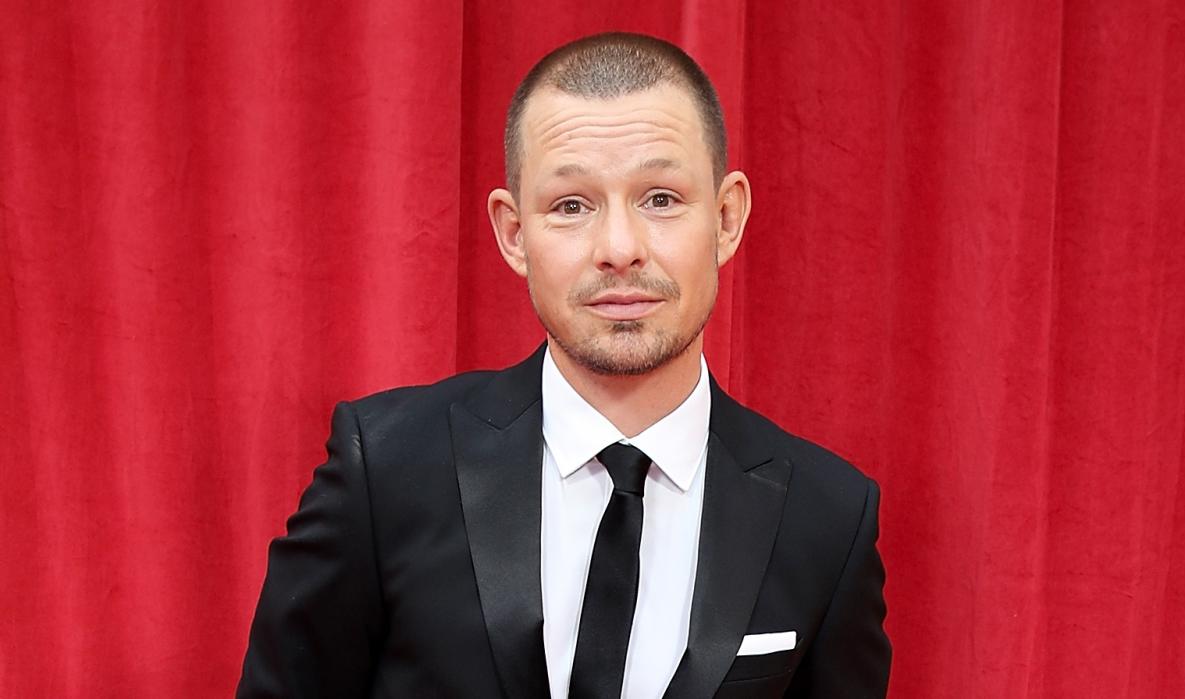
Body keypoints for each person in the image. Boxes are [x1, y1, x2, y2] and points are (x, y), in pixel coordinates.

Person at [237, 32, 890, 698]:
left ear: (726, 218)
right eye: (571, 205)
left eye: (660, 198)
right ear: (514, 233)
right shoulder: (384, 468)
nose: (618, 248)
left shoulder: (828, 516)